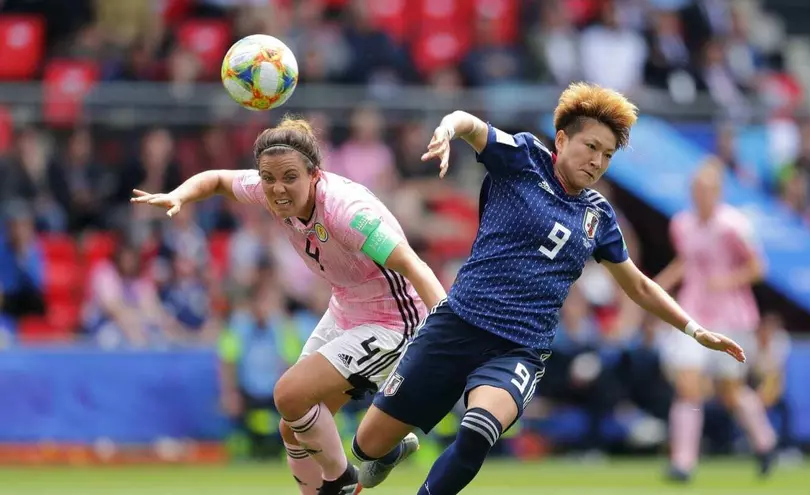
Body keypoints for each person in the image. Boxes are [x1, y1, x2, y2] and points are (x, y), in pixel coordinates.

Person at [350, 82, 746, 495]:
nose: (597, 161)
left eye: (607, 155)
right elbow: (470, 124)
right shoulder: (523, 158)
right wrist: (449, 129)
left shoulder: (599, 217)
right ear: (562, 139)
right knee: (366, 446)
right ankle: (387, 452)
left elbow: (640, 287)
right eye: (591, 147)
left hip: (519, 347)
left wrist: (694, 330)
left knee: (478, 429)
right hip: (457, 325)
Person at [131, 117, 447, 495]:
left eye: (289, 178)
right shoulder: (269, 189)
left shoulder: (348, 214)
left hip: (393, 320)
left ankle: (344, 481)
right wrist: (181, 195)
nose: (277, 189)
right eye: (268, 178)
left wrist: (446, 333)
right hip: (347, 308)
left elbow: (414, 266)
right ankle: (367, 458)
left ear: (315, 175)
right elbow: (216, 180)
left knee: (288, 395)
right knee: (292, 426)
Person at [654, 161, 776, 482]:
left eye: (707, 189)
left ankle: (765, 442)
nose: (701, 195)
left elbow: (758, 268)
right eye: (696, 189)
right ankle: (683, 462)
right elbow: (687, 262)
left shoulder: (733, 225)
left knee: (730, 392)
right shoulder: (682, 224)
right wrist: (658, 285)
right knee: (687, 385)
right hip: (692, 314)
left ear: (718, 191)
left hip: (730, 317)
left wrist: (725, 281)